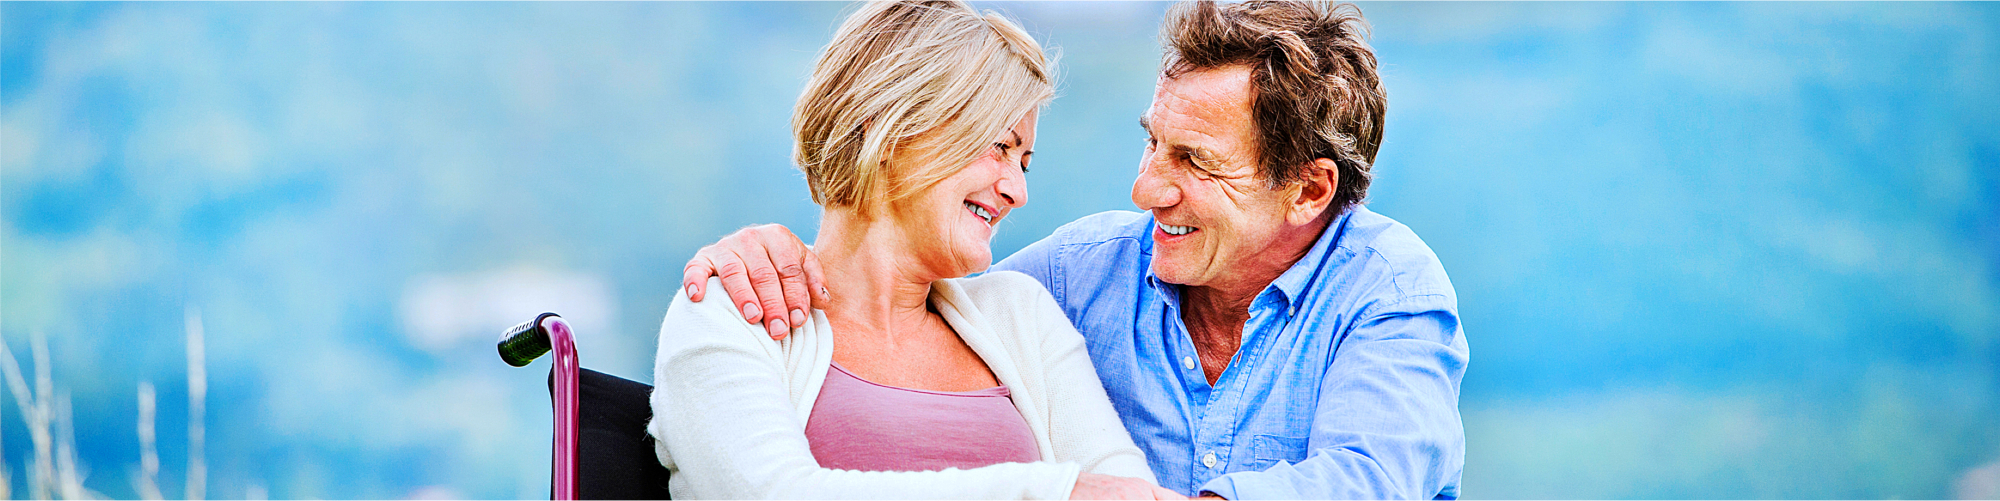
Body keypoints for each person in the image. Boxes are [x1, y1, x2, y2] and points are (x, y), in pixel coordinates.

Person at [679, 1, 1469, 499]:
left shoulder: (1386, 290)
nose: (1144, 188)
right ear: (894, 128)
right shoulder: (1067, 278)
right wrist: (762, 247)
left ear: (1308, 190)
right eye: (1154, 143)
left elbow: (1371, 481)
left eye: (1193, 161)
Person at [646, 1, 1183, 499]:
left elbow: (1126, 492)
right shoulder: (730, 311)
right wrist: (1049, 492)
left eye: (1024, 162)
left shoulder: (1023, 314)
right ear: (890, 126)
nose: (1017, 191)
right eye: (999, 146)